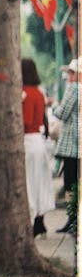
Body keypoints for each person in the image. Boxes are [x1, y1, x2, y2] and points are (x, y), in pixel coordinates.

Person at [21, 58, 55, 237]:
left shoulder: (24, 93)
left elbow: (25, 121)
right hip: (38, 141)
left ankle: (32, 221)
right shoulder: (39, 93)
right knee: (40, 182)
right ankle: (40, 220)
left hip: (27, 141)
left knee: (29, 183)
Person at [52, 58, 79, 234]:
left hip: (72, 145)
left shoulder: (74, 89)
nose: (69, 76)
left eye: (71, 73)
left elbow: (62, 113)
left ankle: (72, 219)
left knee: (70, 183)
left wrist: (54, 106)